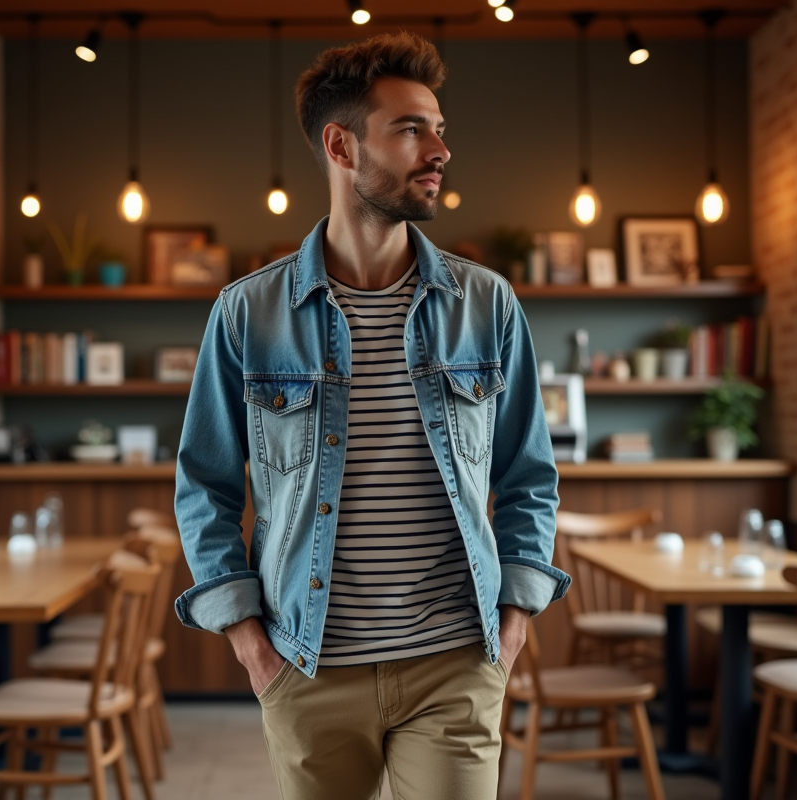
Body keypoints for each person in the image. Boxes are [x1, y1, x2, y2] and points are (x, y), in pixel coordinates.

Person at [174, 31, 568, 800]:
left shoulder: (486, 305)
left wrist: (517, 614)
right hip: (307, 664)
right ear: (341, 145)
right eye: (412, 128)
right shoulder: (247, 314)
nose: (440, 148)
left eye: (440, 127)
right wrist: (252, 645)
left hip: (456, 662)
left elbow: (529, 474)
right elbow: (204, 487)